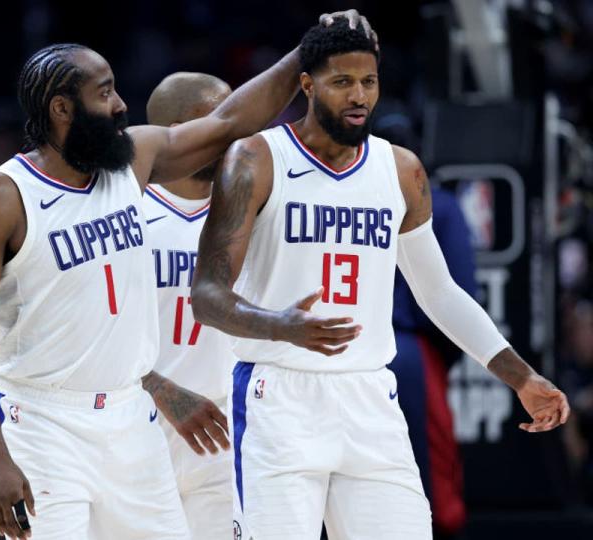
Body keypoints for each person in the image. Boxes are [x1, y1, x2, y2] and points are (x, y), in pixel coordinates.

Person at [0, 11, 375, 539]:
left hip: (131, 421)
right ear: (62, 109)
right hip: (42, 422)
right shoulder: (0, 196)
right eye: (104, 94)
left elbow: (229, 123)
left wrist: (309, 50)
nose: (121, 105)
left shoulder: (134, 159)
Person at [191, 18, 571, 540]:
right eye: (342, 81)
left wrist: (520, 375)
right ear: (307, 84)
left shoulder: (400, 171)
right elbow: (207, 295)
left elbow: (438, 293)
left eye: (368, 82)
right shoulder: (256, 159)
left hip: (370, 397)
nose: (359, 95)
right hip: (278, 398)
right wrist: (281, 325)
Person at [142, 71, 240, 540]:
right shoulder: (124, 214)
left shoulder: (248, 213)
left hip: (222, 433)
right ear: (177, 131)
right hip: (136, 424)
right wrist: (158, 388)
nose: (231, 131)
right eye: (218, 120)